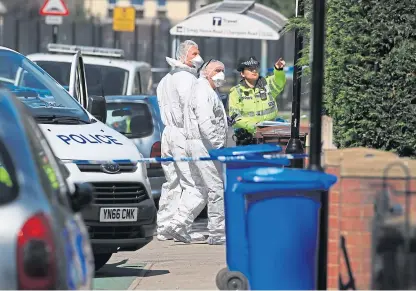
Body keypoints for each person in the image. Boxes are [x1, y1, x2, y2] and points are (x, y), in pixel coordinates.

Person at [156, 40, 207, 243]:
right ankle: (179, 225)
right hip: (183, 134)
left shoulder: (166, 79)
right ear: (183, 56)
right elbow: (192, 108)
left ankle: (165, 226)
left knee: (172, 183)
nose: (198, 57)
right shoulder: (186, 79)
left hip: (167, 134)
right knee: (195, 183)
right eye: (194, 53)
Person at [183, 59, 228, 245]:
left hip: (202, 144)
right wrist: (218, 146)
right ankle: (217, 232)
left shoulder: (208, 91)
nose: (221, 74)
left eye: (223, 70)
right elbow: (206, 122)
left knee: (200, 189)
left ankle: (179, 224)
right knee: (216, 188)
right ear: (206, 72)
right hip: (205, 146)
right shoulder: (203, 91)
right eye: (218, 70)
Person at [229, 56, 287, 145]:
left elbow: (279, 82)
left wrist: (278, 70)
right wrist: (255, 126)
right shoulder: (236, 92)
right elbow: (235, 118)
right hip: (248, 138)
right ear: (242, 74)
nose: (254, 71)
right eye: (250, 69)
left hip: (271, 136)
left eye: (255, 68)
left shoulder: (267, 84)